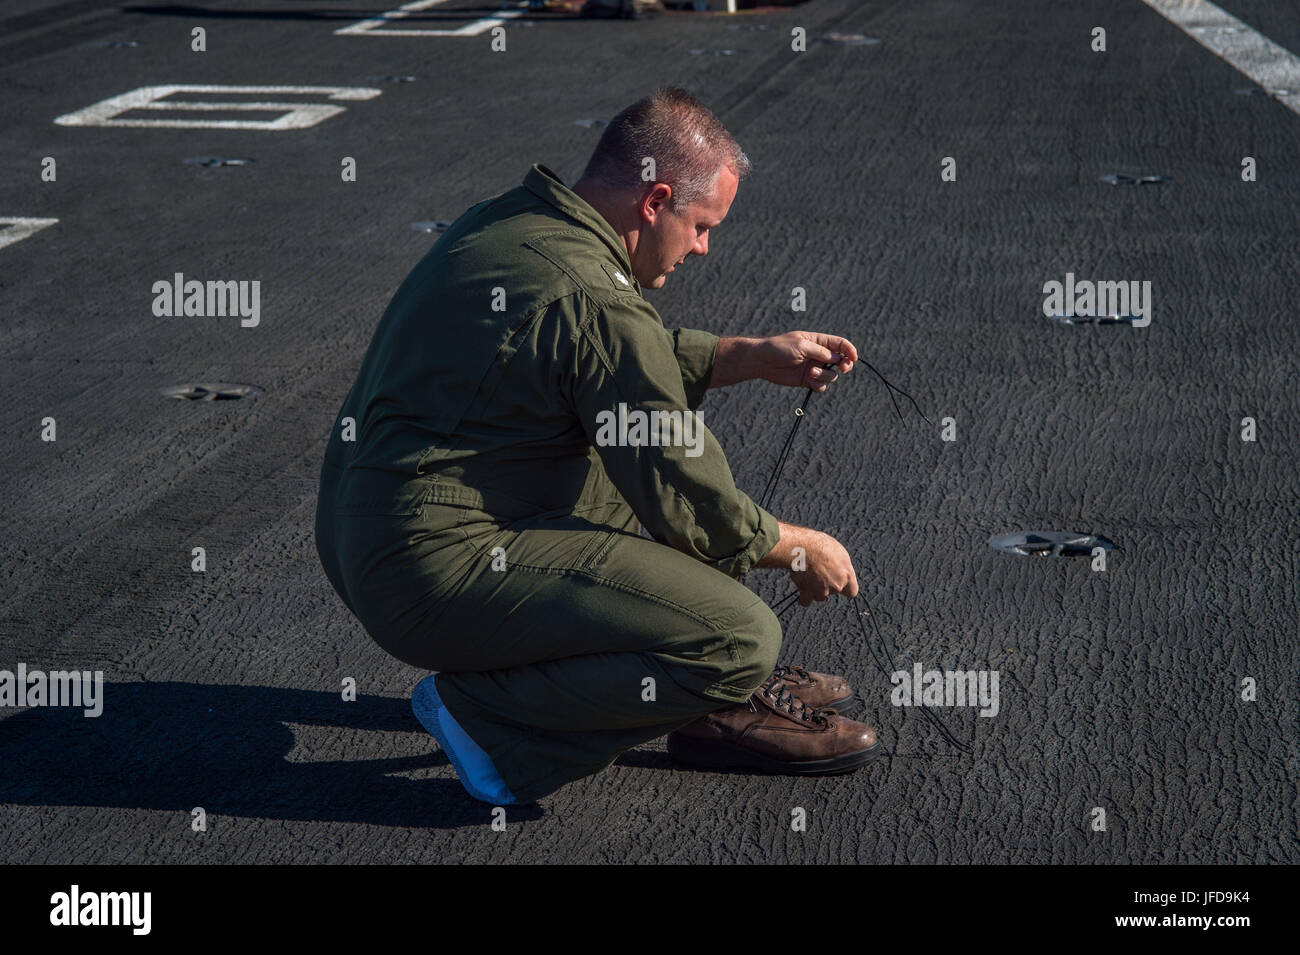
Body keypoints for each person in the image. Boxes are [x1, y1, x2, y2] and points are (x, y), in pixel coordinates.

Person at [314, 87, 880, 806]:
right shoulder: (598, 296)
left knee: (614, 451)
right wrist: (802, 547)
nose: (703, 247)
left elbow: (592, 355)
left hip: (365, 533)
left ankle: (685, 686)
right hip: (427, 570)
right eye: (702, 225)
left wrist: (742, 355)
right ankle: (488, 722)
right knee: (740, 635)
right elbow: (687, 486)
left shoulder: (518, 219)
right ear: (655, 200)